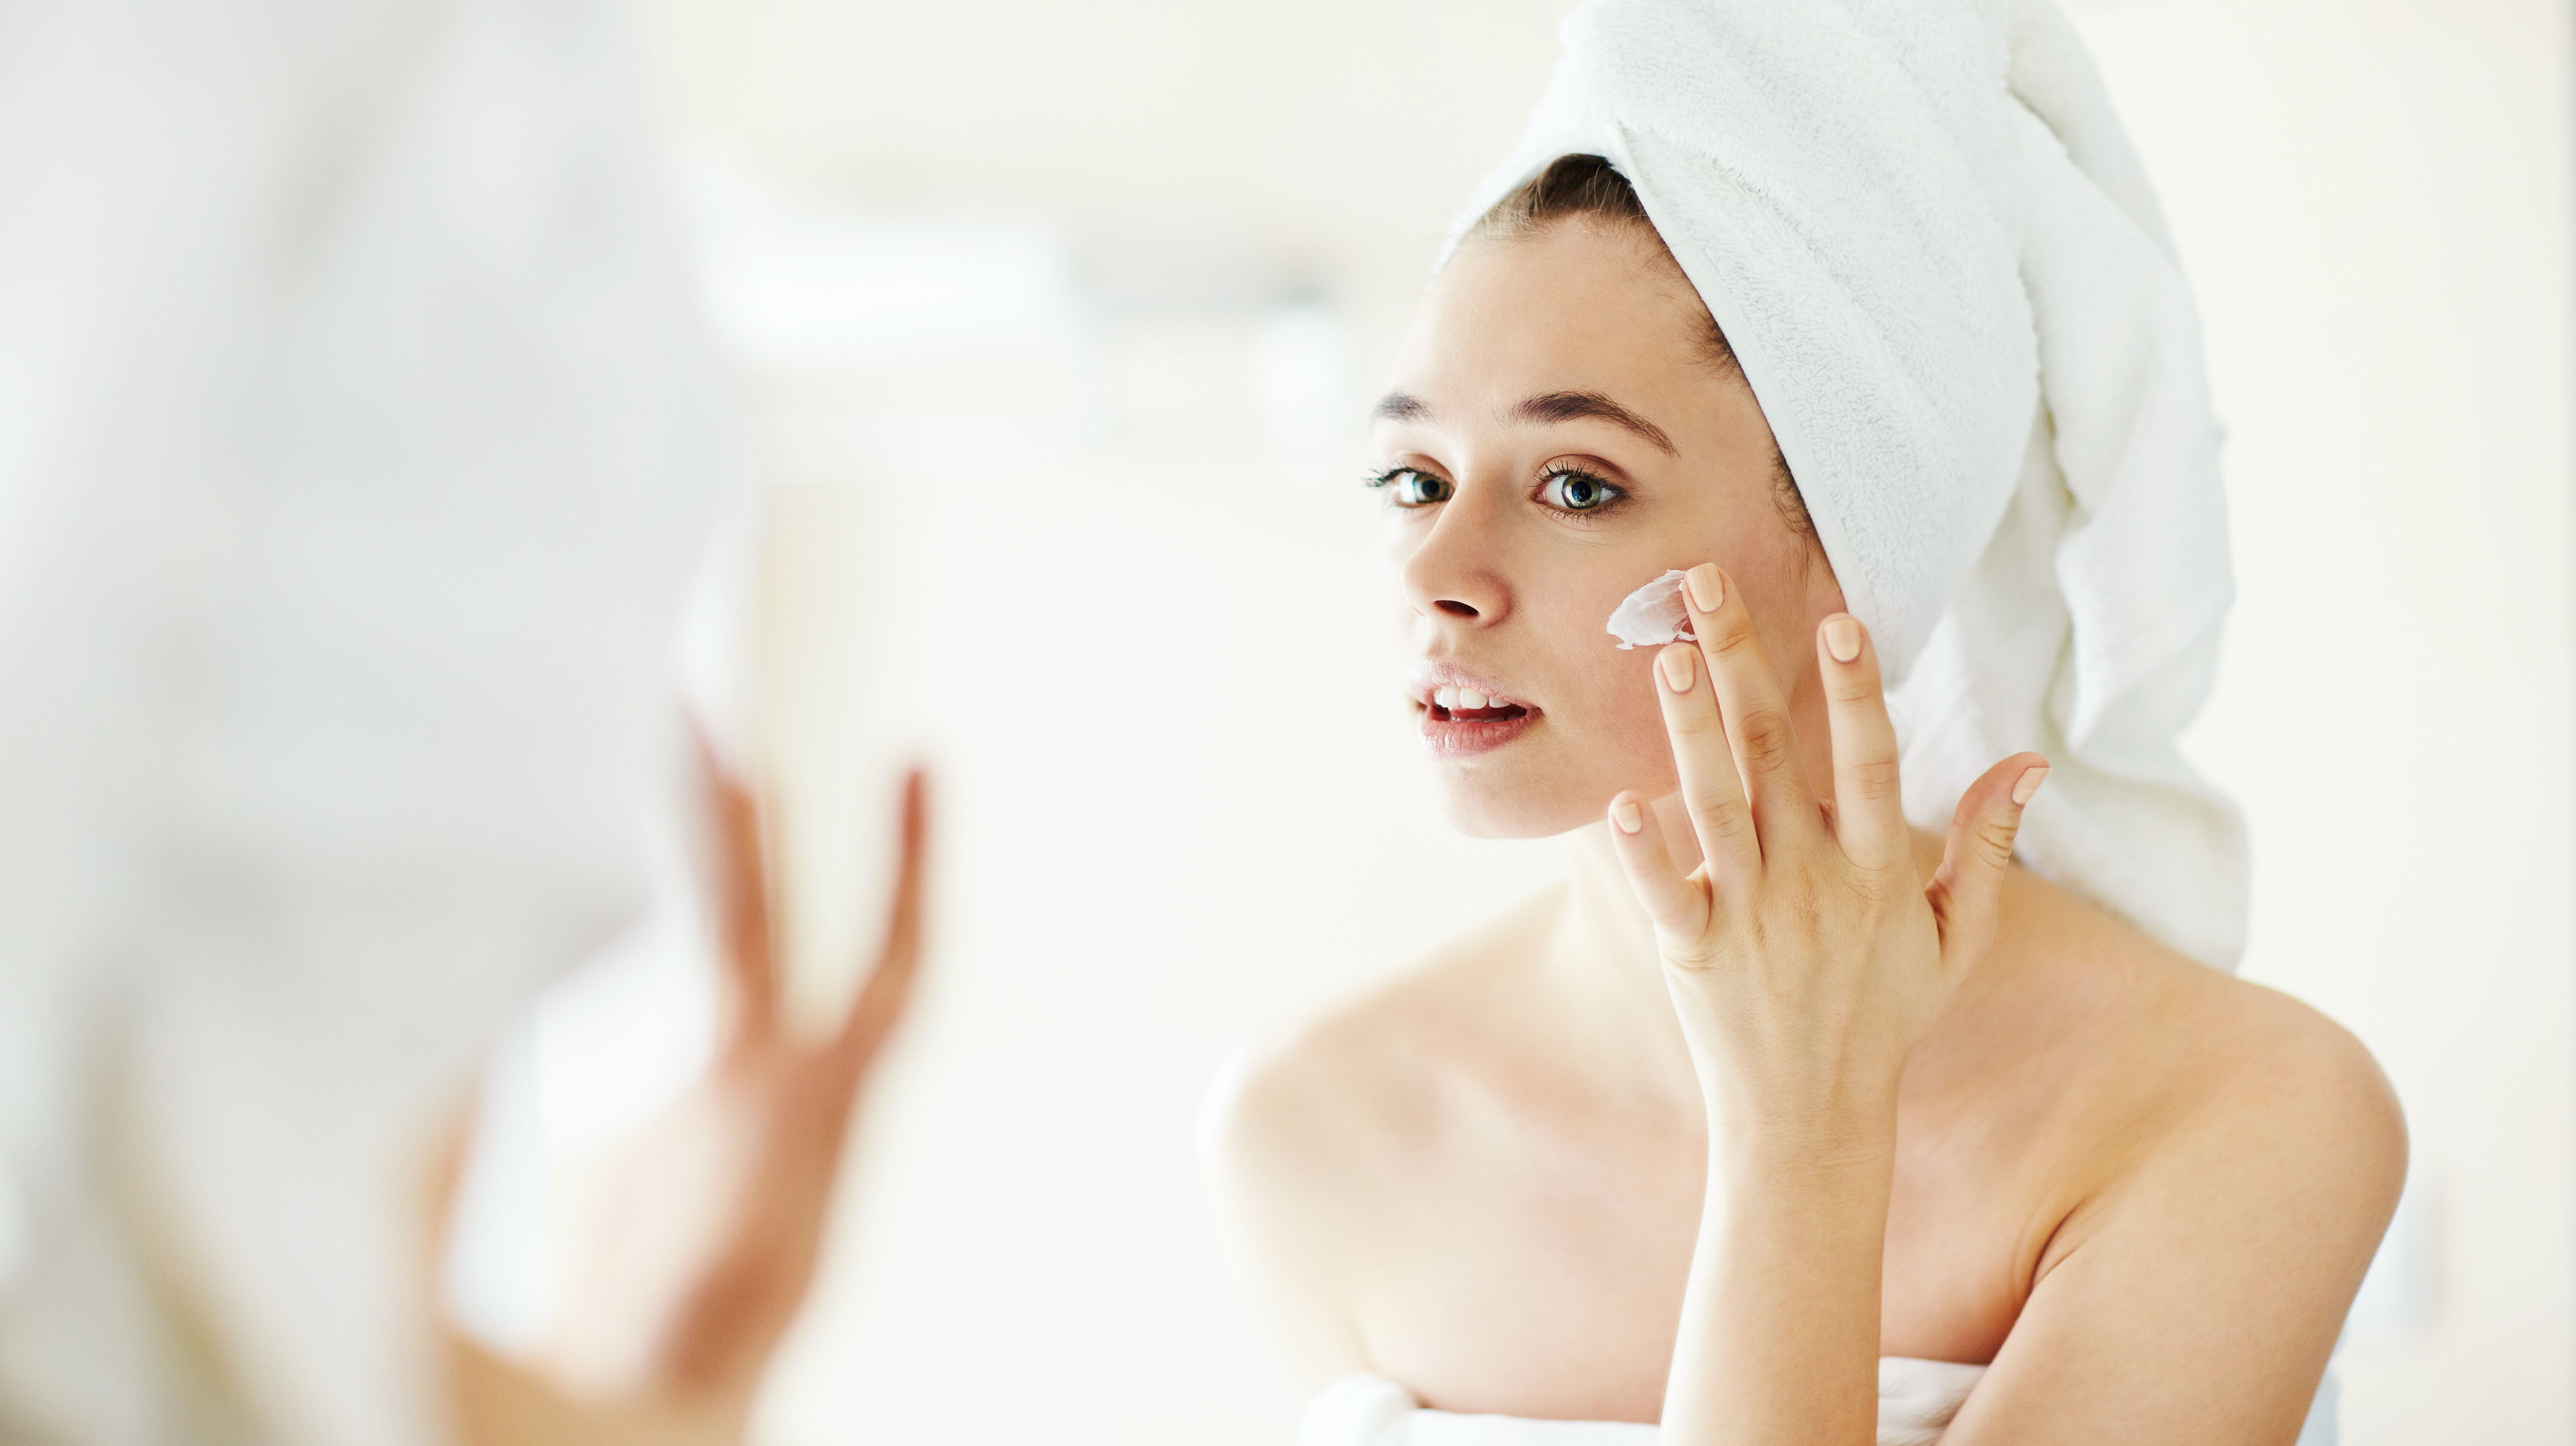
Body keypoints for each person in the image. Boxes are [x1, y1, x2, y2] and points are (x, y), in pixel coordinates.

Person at [1203, 4, 2404, 1443]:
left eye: (1578, 485)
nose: (1438, 579)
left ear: (1853, 549)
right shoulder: (1316, 1133)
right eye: (1413, 478)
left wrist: (1800, 1137)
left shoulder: (2241, 1116)